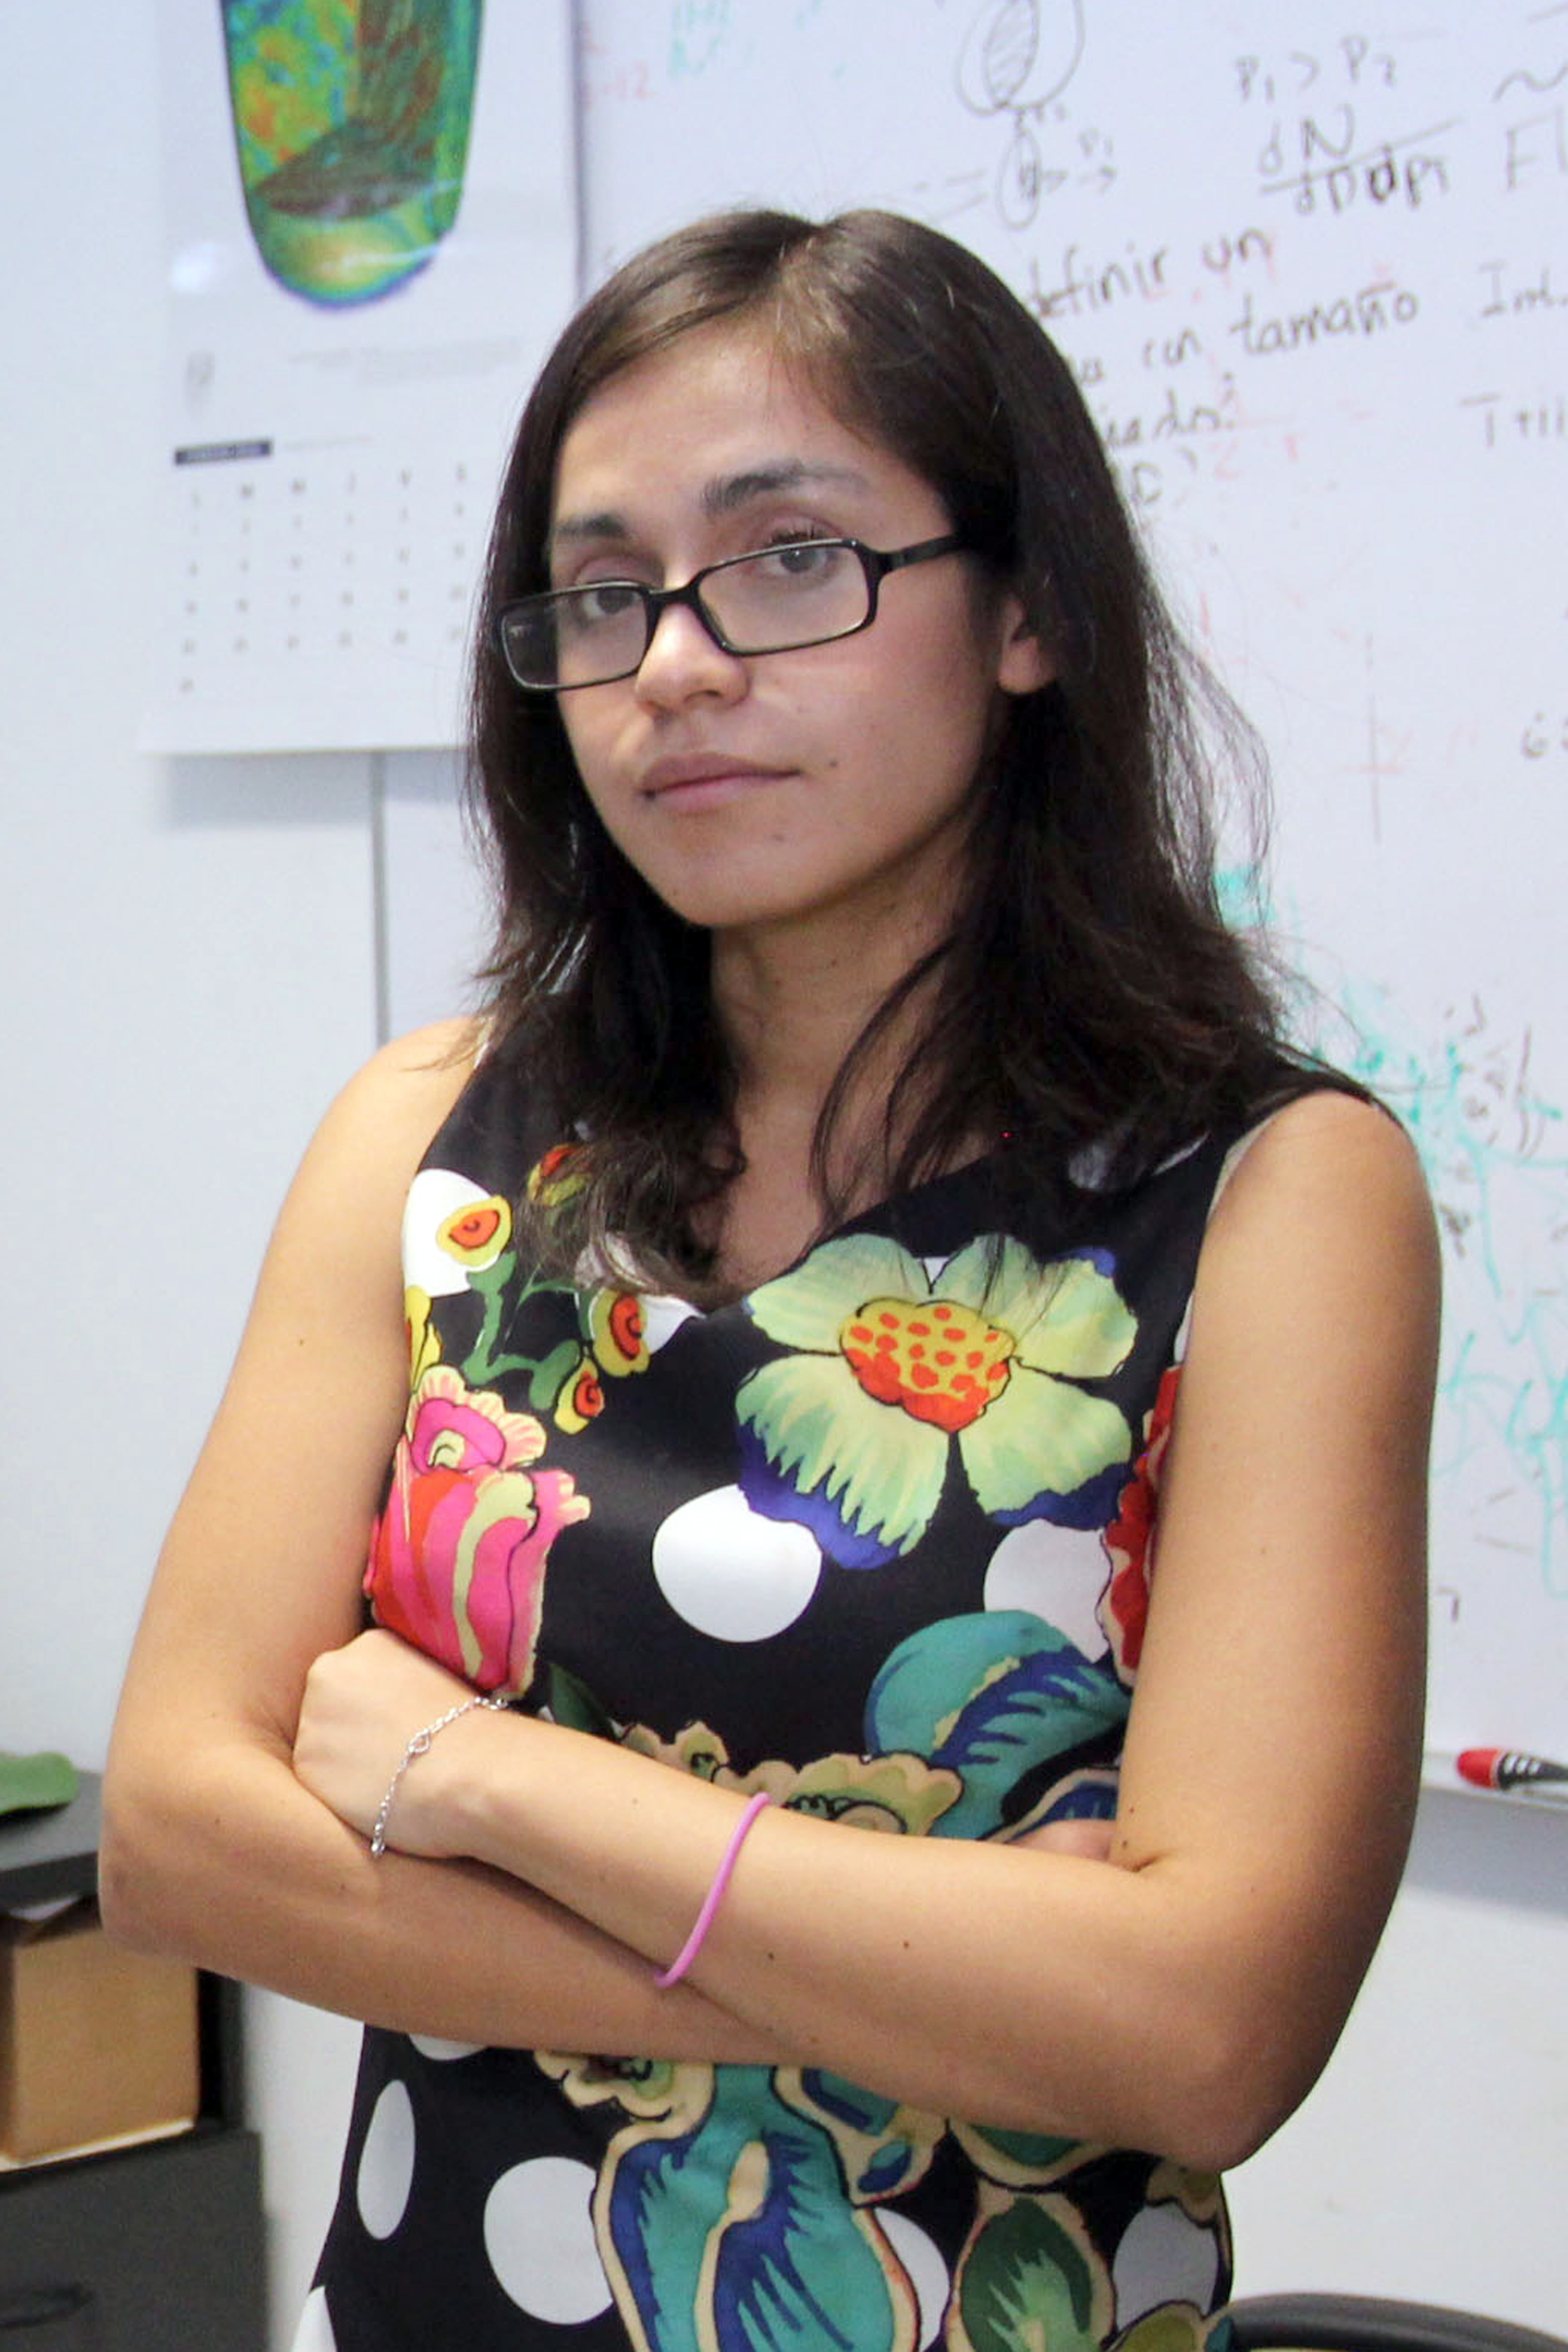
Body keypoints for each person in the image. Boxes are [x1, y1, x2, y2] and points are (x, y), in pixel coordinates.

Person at [103, 208, 1439, 2352]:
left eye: (790, 559)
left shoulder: (1267, 1198)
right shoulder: (431, 1141)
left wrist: (479, 1781)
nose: (675, 665)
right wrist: (960, 1976)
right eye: (602, 592)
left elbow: (1205, 2036)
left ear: (1025, 610)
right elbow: (179, 1836)